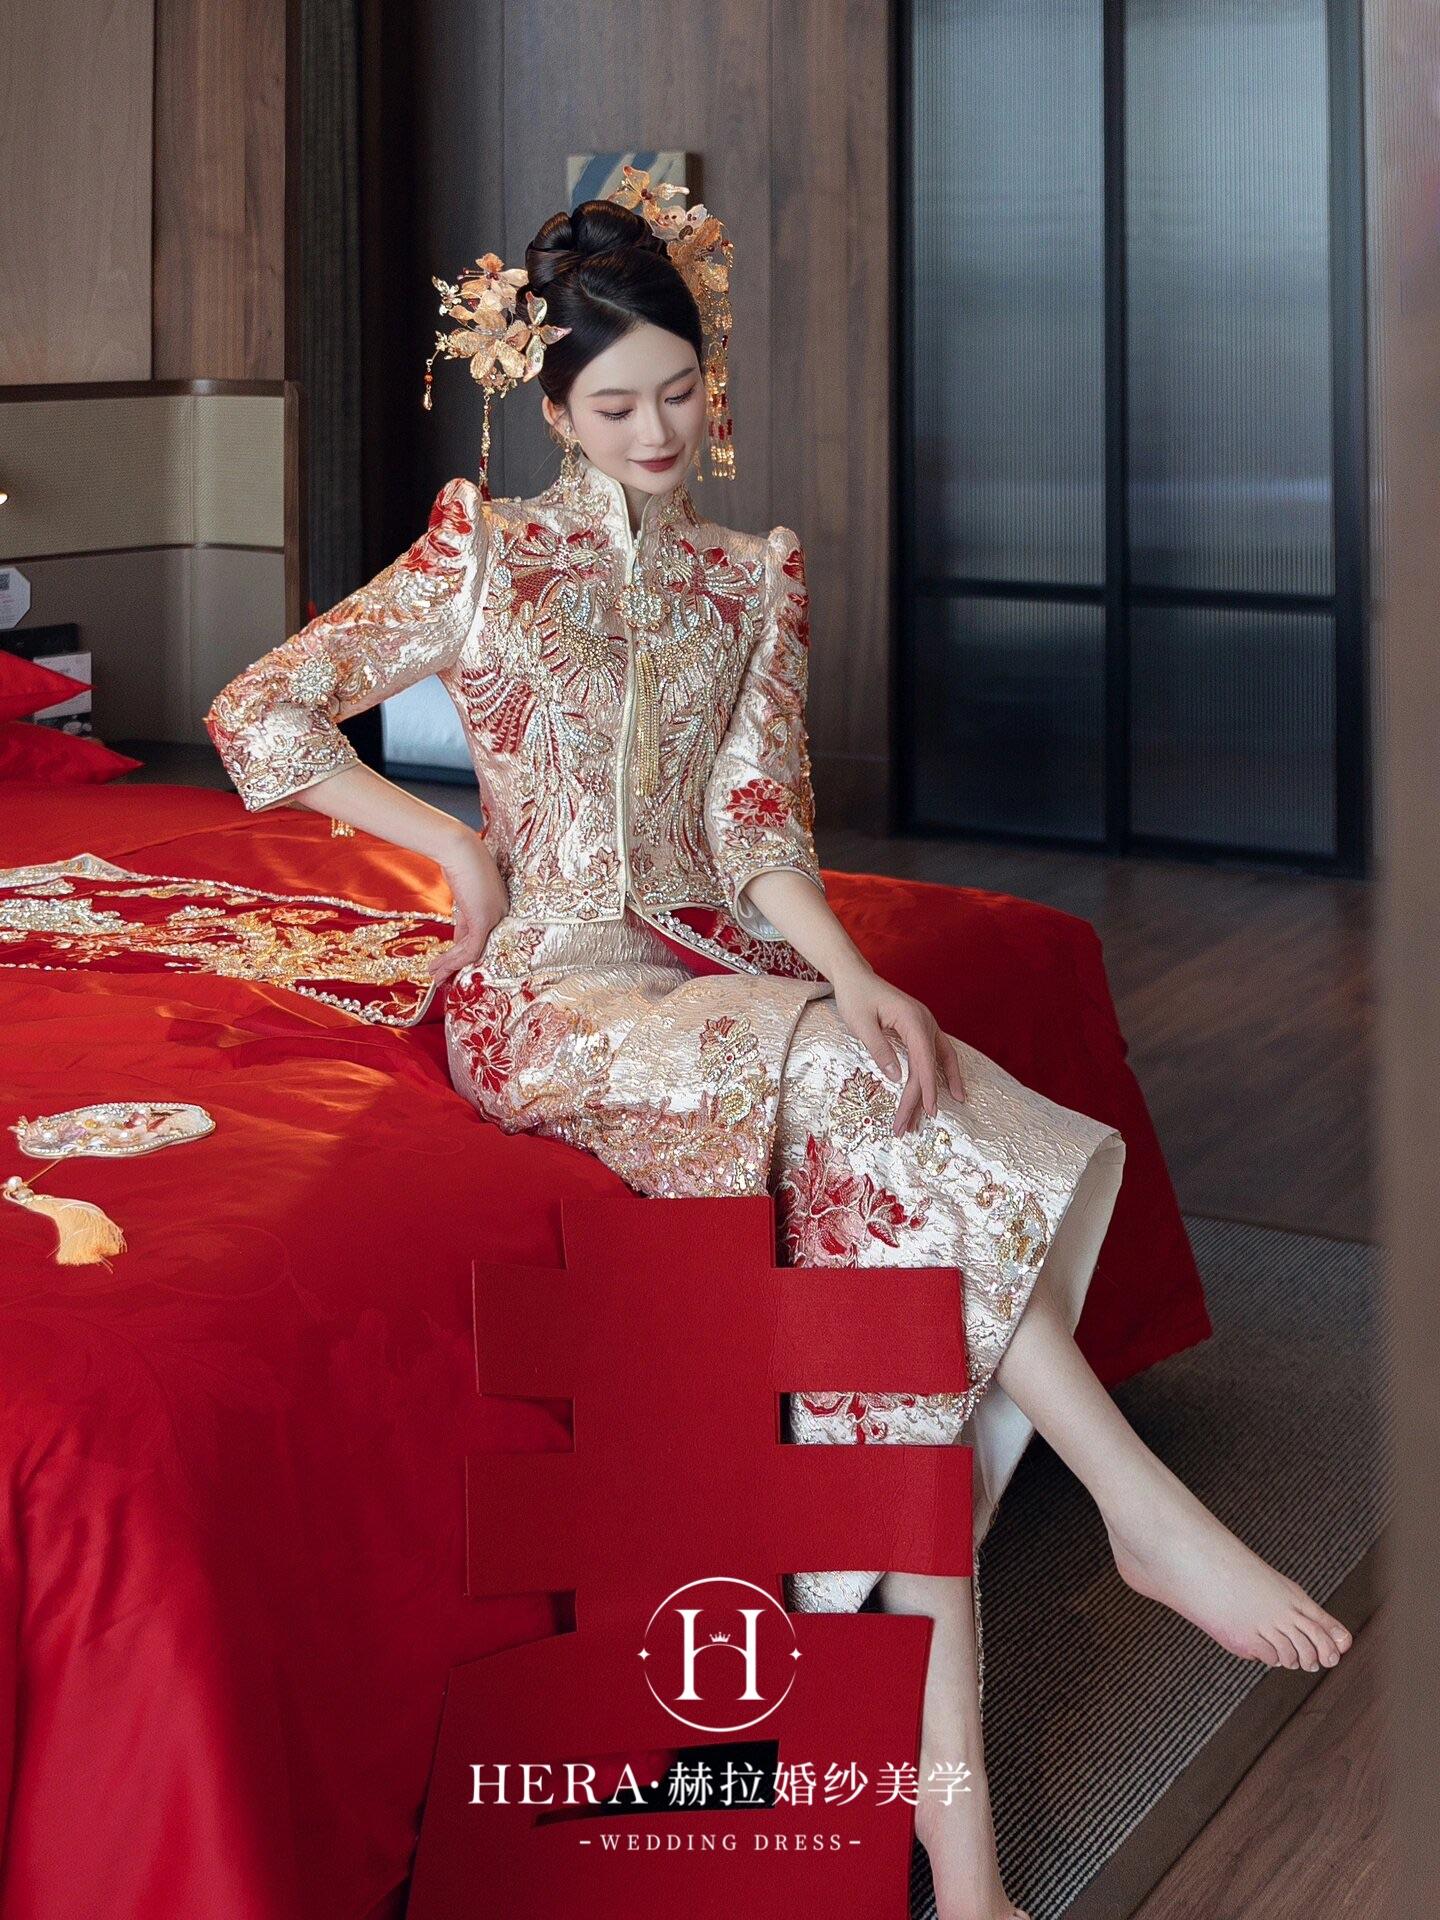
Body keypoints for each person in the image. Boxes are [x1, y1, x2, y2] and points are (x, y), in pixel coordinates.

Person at [204, 182, 1353, 1920]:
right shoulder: (485, 555)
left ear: (709, 377)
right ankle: (1136, 1505)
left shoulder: (750, 577)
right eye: (614, 405)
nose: (656, 432)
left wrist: (857, 976)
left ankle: (967, 1871)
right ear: (551, 410)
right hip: (554, 1002)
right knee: (853, 1092)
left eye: (678, 391)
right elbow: (261, 707)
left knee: (896, 1186)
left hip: (725, 978)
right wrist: (455, 851)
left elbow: (755, 835)